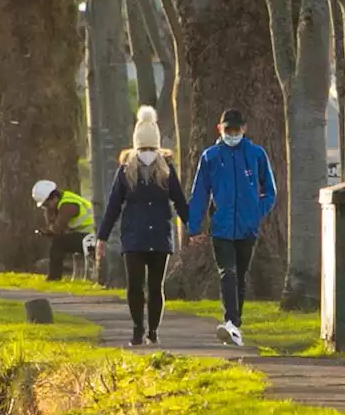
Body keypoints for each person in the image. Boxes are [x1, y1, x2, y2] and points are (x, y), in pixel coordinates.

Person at [94, 106, 189, 346]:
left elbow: (179, 200)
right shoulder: (126, 171)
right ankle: (138, 328)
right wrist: (102, 238)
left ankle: (153, 330)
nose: (147, 152)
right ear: (136, 147)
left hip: (159, 235)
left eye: (150, 148)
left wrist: (193, 228)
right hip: (133, 236)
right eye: (143, 148)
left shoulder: (167, 170)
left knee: (156, 287)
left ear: (157, 147)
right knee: (135, 285)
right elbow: (114, 205)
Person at [187, 108, 277, 347]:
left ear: (244, 129)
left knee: (240, 276)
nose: (232, 134)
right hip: (222, 228)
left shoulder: (256, 154)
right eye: (228, 130)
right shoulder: (210, 156)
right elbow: (199, 194)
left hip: (247, 228)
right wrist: (194, 227)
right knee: (228, 273)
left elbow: (270, 191)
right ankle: (230, 321)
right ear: (220, 129)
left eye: (236, 130)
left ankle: (235, 325)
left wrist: (256, 211)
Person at [31, 179, 95, 281]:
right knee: (58, 241)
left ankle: (54, 277)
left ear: (54, 198)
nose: (45, 208)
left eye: (46, 205)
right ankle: (54, 276)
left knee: (59, 242)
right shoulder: (62, 202)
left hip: (92, 237)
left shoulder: (68, 205)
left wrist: (50, 223)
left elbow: (57, 228)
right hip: (85, 236)